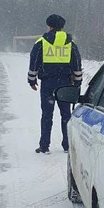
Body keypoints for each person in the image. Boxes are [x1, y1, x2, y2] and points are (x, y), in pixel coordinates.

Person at [28, 14, 83, 154]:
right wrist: (77, 82)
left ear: (49, 26)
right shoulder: (70, 43)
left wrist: (32, 80)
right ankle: (67, 145)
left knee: (47, 115)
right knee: (66, 115)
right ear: (62, 26)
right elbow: (77, 63)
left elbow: (34, 62)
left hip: (47, 84)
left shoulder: (41, 42)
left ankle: (44, 146)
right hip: (65, 83)